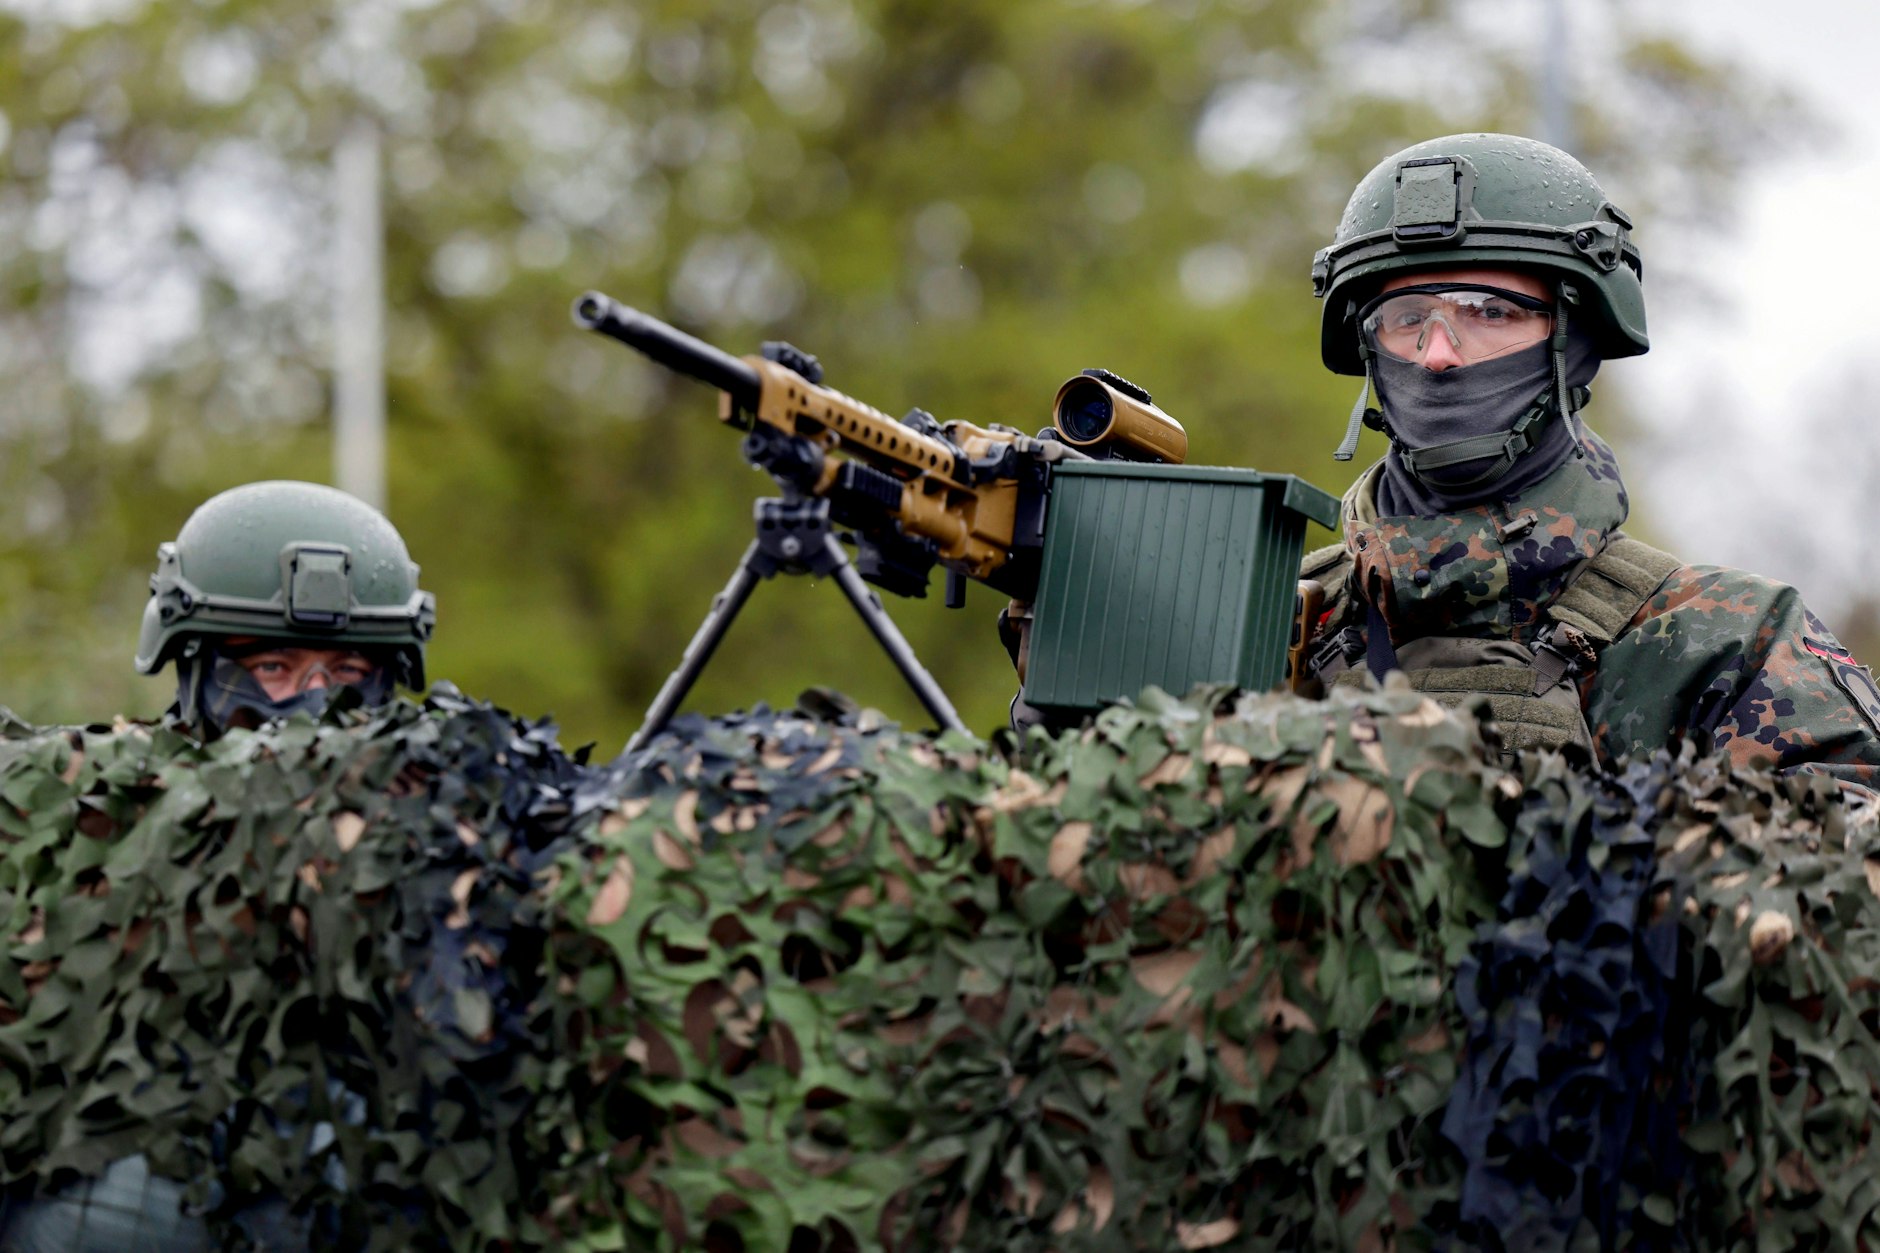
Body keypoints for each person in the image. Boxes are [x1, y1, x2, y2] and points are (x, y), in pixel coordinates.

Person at [1301, 132, 1880, 791]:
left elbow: (1849, 868)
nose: (1438, 353)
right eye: (1406, 317)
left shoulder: (1724, 641)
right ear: (1370, 347)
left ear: (1573, 343)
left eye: (1489, 311)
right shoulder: (1283, 617)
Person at [0, 481, 434, 1252]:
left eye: (343, 674)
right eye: (271, 665)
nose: (310, 707)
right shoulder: (79, 805)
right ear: (193, 664)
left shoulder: (439, 824)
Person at [134, 479, 435, 733]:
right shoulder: (117, 793)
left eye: (348, 670)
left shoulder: (444, 794)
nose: (318, 702)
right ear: (196, 677)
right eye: (272, 667)